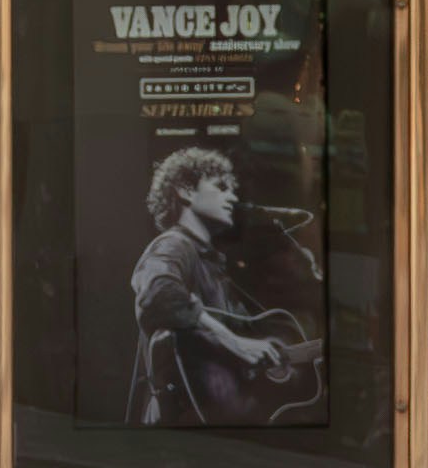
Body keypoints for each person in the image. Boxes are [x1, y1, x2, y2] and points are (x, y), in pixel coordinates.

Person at [123, 144, 323, 428]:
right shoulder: (174, 245)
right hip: (178, 426)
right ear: (185, 191)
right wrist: (235, 342)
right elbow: (158, 294)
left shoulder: (215, 264)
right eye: (221, 187)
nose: (233, 197)